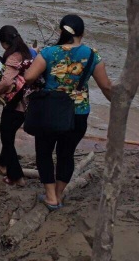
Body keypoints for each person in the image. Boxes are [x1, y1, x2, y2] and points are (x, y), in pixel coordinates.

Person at [24, 14, 113, 210]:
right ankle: (58, 193)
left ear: (60, 31)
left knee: (44, 153)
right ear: (83, 33)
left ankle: (50, 197)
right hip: (78, 113)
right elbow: (106, 86)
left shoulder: (48, 53)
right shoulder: (92, 55)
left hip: (49, 111)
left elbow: (29, 77)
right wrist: (116, 105)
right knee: (66, 154)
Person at [0, 25, 34, 187]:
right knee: (9, 134)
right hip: (27, 103)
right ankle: (2, 165)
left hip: (15, 104)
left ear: (4, 43)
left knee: (6, 138)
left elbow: (7, 81)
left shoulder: (13, 57)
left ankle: (16, 176)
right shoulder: (28, 52)